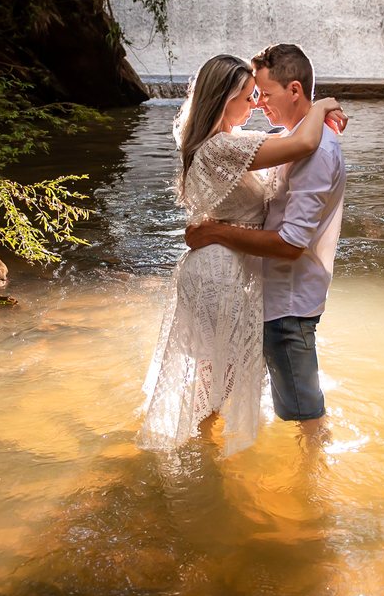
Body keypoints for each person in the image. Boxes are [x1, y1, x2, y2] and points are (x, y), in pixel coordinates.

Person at [137, 54, 345, 457]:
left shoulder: (222, 142)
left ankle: (200, 450)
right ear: (223, 99)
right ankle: (203, 453)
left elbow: (294, 140)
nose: (256, 105)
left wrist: (314, 113)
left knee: (218, 375)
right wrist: (322, 106)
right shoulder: (224, 147)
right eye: (249, 97)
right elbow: (301, 142)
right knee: (220, 375)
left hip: (219, 267)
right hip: (220, 272)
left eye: (259, 95)